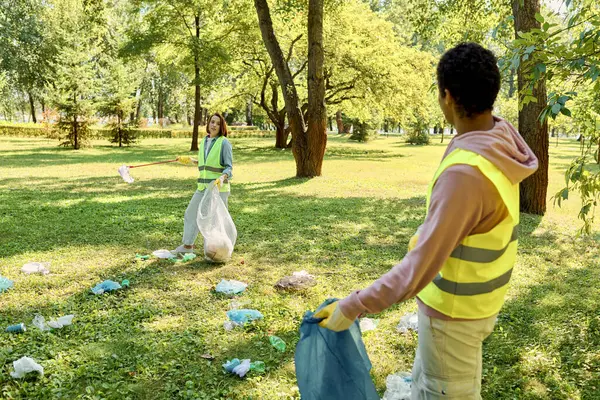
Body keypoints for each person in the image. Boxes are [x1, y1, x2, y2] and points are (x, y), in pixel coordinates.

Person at [315, 42, 539, 399]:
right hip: (474, 307)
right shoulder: (497, 139)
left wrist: (352, 306)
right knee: (427, 387)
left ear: (447, 96)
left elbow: (418, 269)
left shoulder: (467, 172)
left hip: (454, 319)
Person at [173, 113, 233, 254]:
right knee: (191, 213)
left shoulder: (224, 143)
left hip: (218, 188)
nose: (214, 125)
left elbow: (229, 167)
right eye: (212, 122)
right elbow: (205, 164)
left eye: (218, 123)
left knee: (215, 220)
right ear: (208, 123)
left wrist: (222, 178)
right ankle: (188, 247)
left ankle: (216, 251)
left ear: (221, 127)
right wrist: (189, 160)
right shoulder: (204, 141)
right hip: (202, 187)